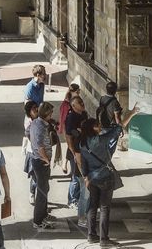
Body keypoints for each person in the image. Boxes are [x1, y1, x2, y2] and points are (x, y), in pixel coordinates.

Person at [76, 111, 138, 246]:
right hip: (105, 178)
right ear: (93, 128)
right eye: (98, 125)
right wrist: (131, 113)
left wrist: (86, 177)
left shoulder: (83, 143)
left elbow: (83, 164)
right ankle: (104, 239)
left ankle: (91, 235)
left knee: (92, 207)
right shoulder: (100, 140)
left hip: (92, 179)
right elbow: (117, 129)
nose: (100, 127)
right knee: (104, 208)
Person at [28, 101, 55, 230]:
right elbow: (40, 146)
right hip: (41, 161)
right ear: (47, 113)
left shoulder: (36, 123)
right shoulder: (40, 126)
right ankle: (38, 220)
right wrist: (46, 159)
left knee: (44, 189)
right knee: (42, 192)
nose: (52, 115)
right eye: (51, 113)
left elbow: (28, 133)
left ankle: (42, 216)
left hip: (38, 160)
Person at [64, 96, 88, 226]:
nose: (82, 103)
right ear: (73, 105)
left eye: (81, 101)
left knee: (81, 180)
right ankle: (72, 200)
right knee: (76, 177)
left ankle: (79, 203)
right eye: (79, 102)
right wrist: (73, 152)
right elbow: (68, 136)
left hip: (83, 149)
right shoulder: (71, 117)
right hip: (76, 150)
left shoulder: (84, 114)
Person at [57, 83, 80, 173]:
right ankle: (66, 163)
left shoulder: (70, 101)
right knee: (71, 145)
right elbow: (64, 117)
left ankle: (65, 163)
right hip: (69, 128)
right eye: (77, 91)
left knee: (71, 145)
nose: (78, 93)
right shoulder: (68, 104)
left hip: (71, 127)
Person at [97, 81, 125, 154]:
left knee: (103, 146)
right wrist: (120, 129)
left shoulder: (102, 98)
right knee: (110, 148)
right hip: (111, 127)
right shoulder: (115, 102)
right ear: (115, 90)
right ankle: (106, 161)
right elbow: (117, 118)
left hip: (102, 125)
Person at [21, 100, 39, 205]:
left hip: (41, 152)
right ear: (29, 112)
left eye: (37, 107)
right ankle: (32, 193)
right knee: (35, 176)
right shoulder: (29, 122)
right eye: (33, 108)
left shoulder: (39, 118)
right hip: (33, 152)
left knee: (40, 178)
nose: (36, 109)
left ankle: (41, 197)